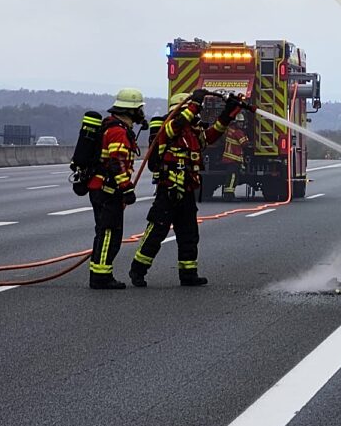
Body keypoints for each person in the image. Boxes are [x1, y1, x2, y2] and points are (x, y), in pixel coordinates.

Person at [128, 89, 244, 287]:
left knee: (189, 233)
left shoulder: (192, 132)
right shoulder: (168, 127)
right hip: (169, 189)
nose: (196, 116)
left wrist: (227, 113)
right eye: (192, 113)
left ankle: (188, 274)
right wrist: (194, 103)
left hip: (188, 190)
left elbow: (210, 136)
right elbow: (175, 127)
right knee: (157, 231)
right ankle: (137, 270)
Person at [87, 88, 144, 290]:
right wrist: (126, 188)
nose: (141, 114)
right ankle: (101, 277)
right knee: (109, 233)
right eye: (138, 109)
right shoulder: (118, 132)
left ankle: (101, 272)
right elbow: (117, 162)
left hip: (102, 188)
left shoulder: (114, 128)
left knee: (104, 232)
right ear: (130, 111)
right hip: (108, 190)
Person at [218, 113, 250, 201]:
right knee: (233, 177)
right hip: (234, 159)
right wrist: (247, 136)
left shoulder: (230, 129)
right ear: (236, 122)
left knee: (231, 177)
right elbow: (245, 144)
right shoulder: (238, 132)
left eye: (242, 123)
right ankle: (229, 195)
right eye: (240, 123)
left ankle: (228, 194)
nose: (241, 124)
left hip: (228, 158)